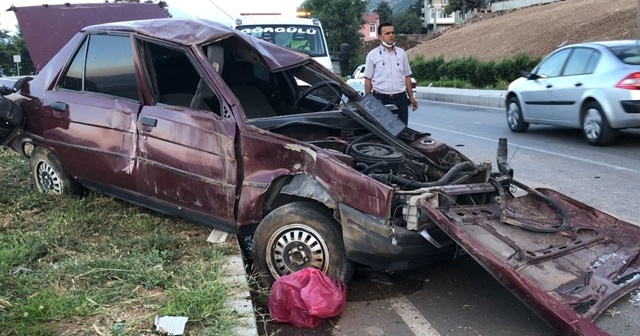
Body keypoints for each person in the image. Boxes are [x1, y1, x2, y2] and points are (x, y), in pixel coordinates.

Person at [364, 22, 418, 125]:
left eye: (392, 32)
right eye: (387, 33)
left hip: (400, 98)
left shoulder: (402, 54)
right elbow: (368, 79)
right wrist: (368, 101)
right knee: (384, 130)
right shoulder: (372, 55)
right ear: (380, 36)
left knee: (402, 129)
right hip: (381, 99)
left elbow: (407, 76)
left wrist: (411, 97)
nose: (391, 35)